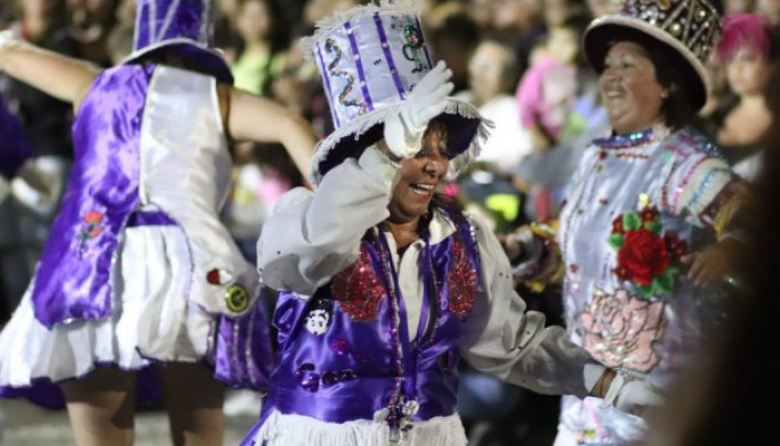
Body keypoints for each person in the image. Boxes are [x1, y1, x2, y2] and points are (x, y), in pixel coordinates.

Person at [245, 2, 660, 445]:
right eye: (415, 146)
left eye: (441, 148)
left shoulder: (461, 239)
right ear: (370, 151)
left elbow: (512, 345)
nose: (435, 165)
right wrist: (386, 154)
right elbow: (308, 254)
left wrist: (610, 384)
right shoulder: (302, 215)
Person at [0, 0, 316, 445]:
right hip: (190, 262)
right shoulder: (217, 96)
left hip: (91, 263)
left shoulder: (95, 83)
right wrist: (331, 203)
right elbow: (290, 123)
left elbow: (8, 53)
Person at [502, 0, 751, 444]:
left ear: (667, 84)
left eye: (628, 64)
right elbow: (568, 247)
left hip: (655, 402)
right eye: (607, 65)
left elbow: (751, 217)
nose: (610, 75)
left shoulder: (683, 163)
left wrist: (730, 246)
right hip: (586, 396)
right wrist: (524, 248)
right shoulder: (596, 157)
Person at [706, 13, 779, 181]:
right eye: (730, 60)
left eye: (747, 59)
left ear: (773, 64)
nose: (736, 69)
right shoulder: (712, 117)